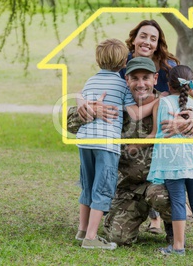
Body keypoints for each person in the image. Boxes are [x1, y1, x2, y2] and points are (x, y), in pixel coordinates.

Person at [67, 57, 193, 246]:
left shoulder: (172, 103)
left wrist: (187, 125)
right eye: (134, 78)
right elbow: (70, 124)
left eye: (145, 78)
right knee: (117, 237)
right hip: (129, 187)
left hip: (161, 182)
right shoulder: (114, 103)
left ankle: (173, 229)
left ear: (155, 79)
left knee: (164, 196)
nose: (140, 84)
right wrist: (86, 109)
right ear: (126, 79)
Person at [75, 40, 157, 250]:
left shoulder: (90, 81)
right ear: (123, 64)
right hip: (106, 144)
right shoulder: (121, 85)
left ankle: (82, 230)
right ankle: (91, 238)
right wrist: (157, 102)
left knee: (88, 186)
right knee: (103, 189)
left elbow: (80, 99)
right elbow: (135, 113)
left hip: (85, 141)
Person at [147, 65, 193, 256]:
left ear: (169, 85)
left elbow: (160, 134)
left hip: (172, 160)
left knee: (178, 201)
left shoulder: (163, 103)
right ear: (190, 85)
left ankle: (178, 246)